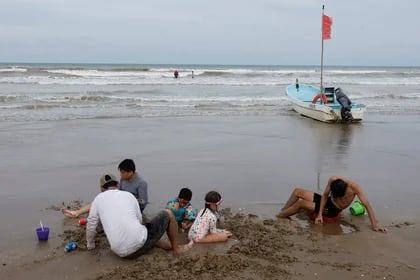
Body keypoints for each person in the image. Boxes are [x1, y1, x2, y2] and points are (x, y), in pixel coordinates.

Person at [86, 174, 192, 258]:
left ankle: (169, 246)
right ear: (118, 184)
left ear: (101, 188)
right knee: (168, 213)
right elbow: (140, 221)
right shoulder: (129, 196)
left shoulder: (97, 200)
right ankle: (176, 250)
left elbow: (91, 226)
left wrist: (91, 245)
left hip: (120, 253)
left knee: (147, 238)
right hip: (139, 245)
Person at [276, 176, 387, 233]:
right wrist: (319, 214)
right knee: (297, 191)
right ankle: (284, 210)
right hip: (327, 202)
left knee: (300, 204)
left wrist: (375, 226)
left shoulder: (354, 187)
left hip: (333, 210)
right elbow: (324, 196)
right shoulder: (333, 179)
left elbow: (367, 205)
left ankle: (278, 217)